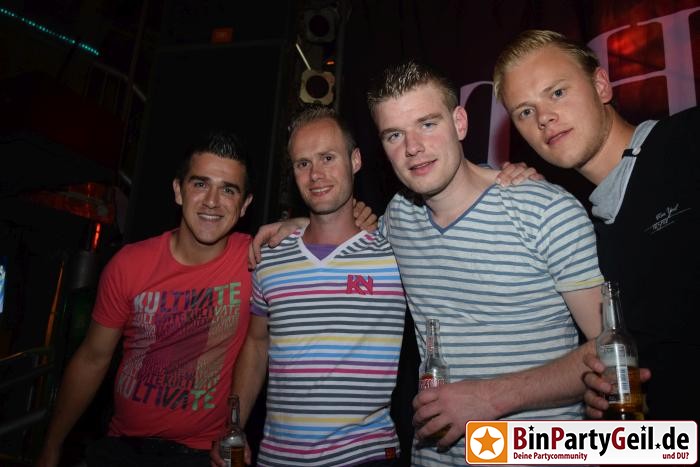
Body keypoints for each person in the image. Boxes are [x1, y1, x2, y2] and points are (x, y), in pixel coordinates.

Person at [253, 60, 604, 466]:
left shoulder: (545, 211)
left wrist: (490, 397)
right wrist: (302, 223)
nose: (413, 147)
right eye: (394, 135)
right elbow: (343, 228)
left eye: (427, 124)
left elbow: (612, 352)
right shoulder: (399, 220)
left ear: (460, 122)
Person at [493, 29, 700, 423]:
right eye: (525, 112)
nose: (544, 118)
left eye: (557, 92)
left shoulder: (688, 142)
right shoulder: (583, 229)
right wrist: (598, 390)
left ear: (601, 85)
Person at [36, 130, 254, 467]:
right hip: (123, 447)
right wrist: (52, 446)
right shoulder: (129, 264)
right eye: (200, 184)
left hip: (201, 453)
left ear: (244, 205)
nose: (212, 201)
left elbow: (319, 234)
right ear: (178, 191)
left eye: (228, 190)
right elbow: (93, 358)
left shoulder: (256, 260)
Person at [211, 105, 407, 467]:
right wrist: (233, 426)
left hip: (365, 456)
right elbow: (256, 344)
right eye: (303, 163)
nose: (315, 174)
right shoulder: (271, 256)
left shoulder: (393, 254)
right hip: (278, 457)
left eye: (327, 158)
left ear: (355, 160)